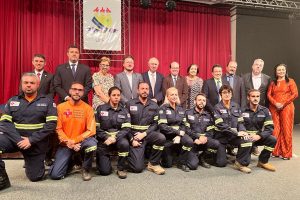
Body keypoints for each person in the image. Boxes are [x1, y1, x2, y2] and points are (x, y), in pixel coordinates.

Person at [0, 73, 57, 190]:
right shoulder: (12, 101)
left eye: (32, 83)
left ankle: (31, 160)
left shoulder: (48, 102)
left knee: (35, 177)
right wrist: (19, 140)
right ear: (21, 85)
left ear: (38, 85)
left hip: (36, 143)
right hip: (15, 140)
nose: (29, 85)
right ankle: (2, 179)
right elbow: (5, 123)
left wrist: (31, 140)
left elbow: (51, 125)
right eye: (26, 83)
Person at [49, 82, 97, 181]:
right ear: (70, 91)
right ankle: (72, 161)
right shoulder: (60, 107)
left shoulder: (88, 108)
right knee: (55, 175)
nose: (77, 92)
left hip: (81, 143)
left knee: (92, 144)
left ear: (83, 93)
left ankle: (86, 169)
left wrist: (74, 141)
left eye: (80, 90)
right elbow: (58, 129)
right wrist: (68, 142)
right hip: (65, 144)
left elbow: (91, 130)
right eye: (74, 89)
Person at [126, 82, 166, 175]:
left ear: (149, 91)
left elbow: (155, 124)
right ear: (137, 90)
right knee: (137, 168)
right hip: (135, 136)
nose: (144, 91)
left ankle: (153, 163)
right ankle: (131, 158)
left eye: (147, 89)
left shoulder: (154, 105)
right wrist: (131, 139)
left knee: (161, 138)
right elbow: (125, 124)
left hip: (147, 134)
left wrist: (144, 134)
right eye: (142, 89)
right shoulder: (129, 104)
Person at [213, 85, 252, 173]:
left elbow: (240, 122)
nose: (227, 94)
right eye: (224, 92)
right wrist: (236, 133)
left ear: (232, 94)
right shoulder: (217, 107)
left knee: (247, 140)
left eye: (229, 92)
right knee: (221, 163)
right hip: (222, 138)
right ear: (220, 95)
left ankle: (239, 163)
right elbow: (220, 125)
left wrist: (242, 131)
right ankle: (221, 153)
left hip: (233, 137)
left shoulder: (236, 106)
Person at [95, 86, 131, 179]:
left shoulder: (124, 110)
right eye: (114, 95)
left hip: (118, 138)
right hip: (104, 139)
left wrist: (115, 137)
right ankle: (104, 164)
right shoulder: (100, 109)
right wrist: (107, 137)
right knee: (105, 172)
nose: (116, 97)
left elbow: (126, 129)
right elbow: (96, 127)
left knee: (125, 144)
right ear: (109, 96)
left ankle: (121, 168)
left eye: (118, 95)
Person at [267, 64, 298, 160]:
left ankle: (286, 153)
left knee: (286, 130)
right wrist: (275, 103)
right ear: (276, 72)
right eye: (279, 70)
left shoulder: (291, 81)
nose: (281, 71)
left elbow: (295, 94)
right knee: (275, 130)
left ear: (285, 71)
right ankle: (275, 151)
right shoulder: (273, 83)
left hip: (287, 107)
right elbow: (269, 94)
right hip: (274, 107)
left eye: (282, 69)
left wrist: (283, 103)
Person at [158, 87, 193, 172]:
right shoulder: (163, 108)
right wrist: (177, 132)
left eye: (176, 95)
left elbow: (184, 124)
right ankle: (163, 158)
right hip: (167, 136)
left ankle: (181, 162)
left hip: (179, 135)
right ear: (167, 96)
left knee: (189, 141)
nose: (174, 96)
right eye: (172, 94)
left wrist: (179, 136)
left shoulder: (181, 108)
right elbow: (162, 126)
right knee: (168, 165)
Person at [242, 89, 277, 171]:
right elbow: (239, 126)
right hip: (246, 138)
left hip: (258, 137)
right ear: (248, 97)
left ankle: (262, 161)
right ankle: (241, 160)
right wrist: (246, 135)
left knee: (272, 140)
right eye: (253, 96)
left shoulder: (265, 110)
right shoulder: (242, 110)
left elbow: (270, 128)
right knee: (245, 162)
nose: (255, 98)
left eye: (257, 96)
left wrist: (259, 136)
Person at [185, 93, 221, 169]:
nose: (201, 102)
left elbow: (210, 131)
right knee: (193, 166)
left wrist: (205, 138)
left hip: (204, 140)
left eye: (204, 100)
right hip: (193, 141)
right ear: (195, 102)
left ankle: (202, 157)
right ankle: (194, 155)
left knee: (216, 144)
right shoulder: (187, 113)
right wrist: (196, 138)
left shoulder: (208, 115)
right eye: (199, 100)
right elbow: (186, 130)